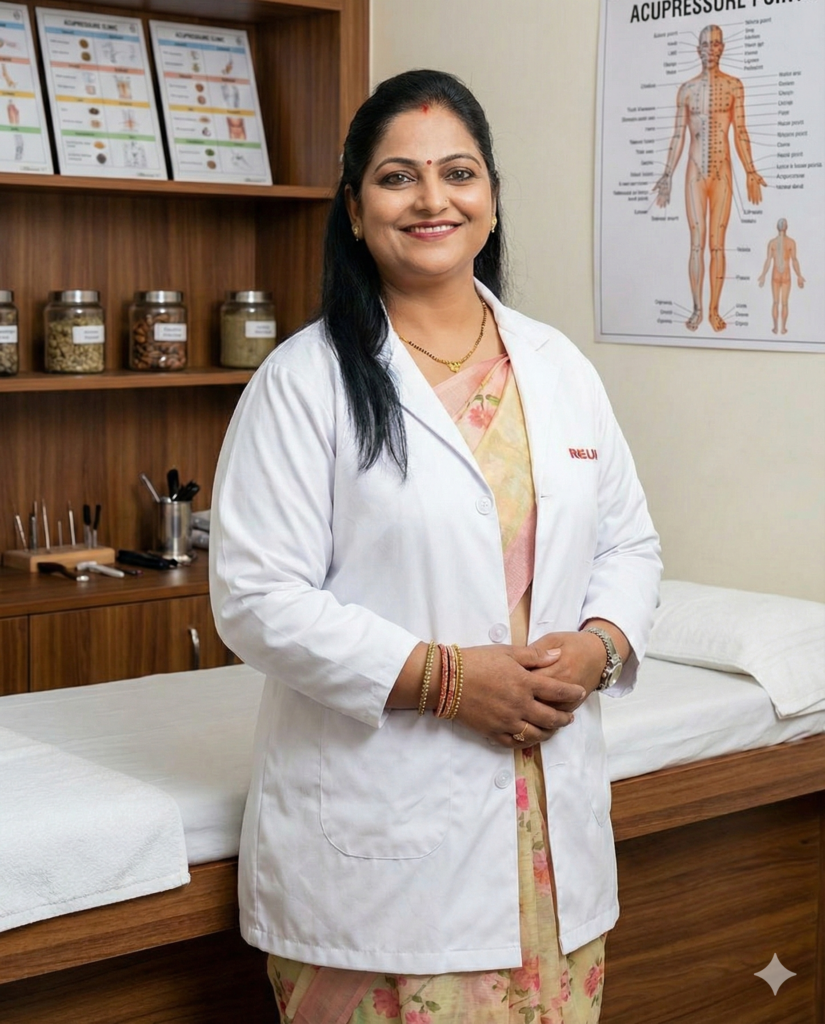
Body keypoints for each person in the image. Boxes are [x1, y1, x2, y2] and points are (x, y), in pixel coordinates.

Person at [210, 69, 661, 1024]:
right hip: (387, 858)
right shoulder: (303, 382)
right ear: (353, 206)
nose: (431, 199)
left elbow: (629, 543)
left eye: (457, 172)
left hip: (547, 842)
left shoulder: (558, 368)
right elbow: (256, 598)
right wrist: (448, 679)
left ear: (490, 199)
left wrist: (598, 646)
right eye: (396, 177)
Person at [652, 25, 766, 333]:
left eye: (715, 44)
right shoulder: (687, 90)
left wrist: (751, 171)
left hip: (722, 171)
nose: (710, 49)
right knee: (696, 243)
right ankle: (697, 308)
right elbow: (677, 135)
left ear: (723, 48)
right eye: (705, 44)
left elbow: (741, 131)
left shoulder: (733, 86)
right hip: (694, 173)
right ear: (698, 49)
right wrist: (666, 175)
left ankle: (714, 310)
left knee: (717, 244)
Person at [757, 218, 805, 335]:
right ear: (786, 227)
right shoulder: (791, 242)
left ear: (777, 227)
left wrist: (763, 275)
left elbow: (768, 260)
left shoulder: (772, 242)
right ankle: (782, 328)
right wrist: (799, 275)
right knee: (784, 303)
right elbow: (794, 260)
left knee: (775, 302)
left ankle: (775, 328)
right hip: (786, 275)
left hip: (776, 275)